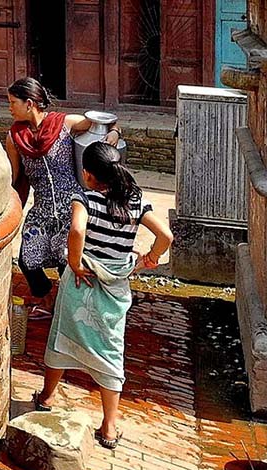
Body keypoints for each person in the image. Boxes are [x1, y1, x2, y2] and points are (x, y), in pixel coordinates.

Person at [35, 142, 173, 448]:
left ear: (87, 174)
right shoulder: (136, 201)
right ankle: (110, 426)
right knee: (111, 351)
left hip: (82, 281)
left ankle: (46, 396)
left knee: (62, 337)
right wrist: (151, 258)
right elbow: (166, 236)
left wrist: (74, 263)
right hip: (115, 287)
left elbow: (77, 232)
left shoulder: (83, 197)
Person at [5, 77, 120, 319]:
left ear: (30, 103)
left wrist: (115, 134)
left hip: (73, 205)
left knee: (67, 262)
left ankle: (75, 312)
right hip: (42, 207)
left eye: (13, 102)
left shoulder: (64, 123)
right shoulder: (14, 137)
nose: (10, 108)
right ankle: (49, 301)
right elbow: (14, 177)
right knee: (28, 260)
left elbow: (106, 122)